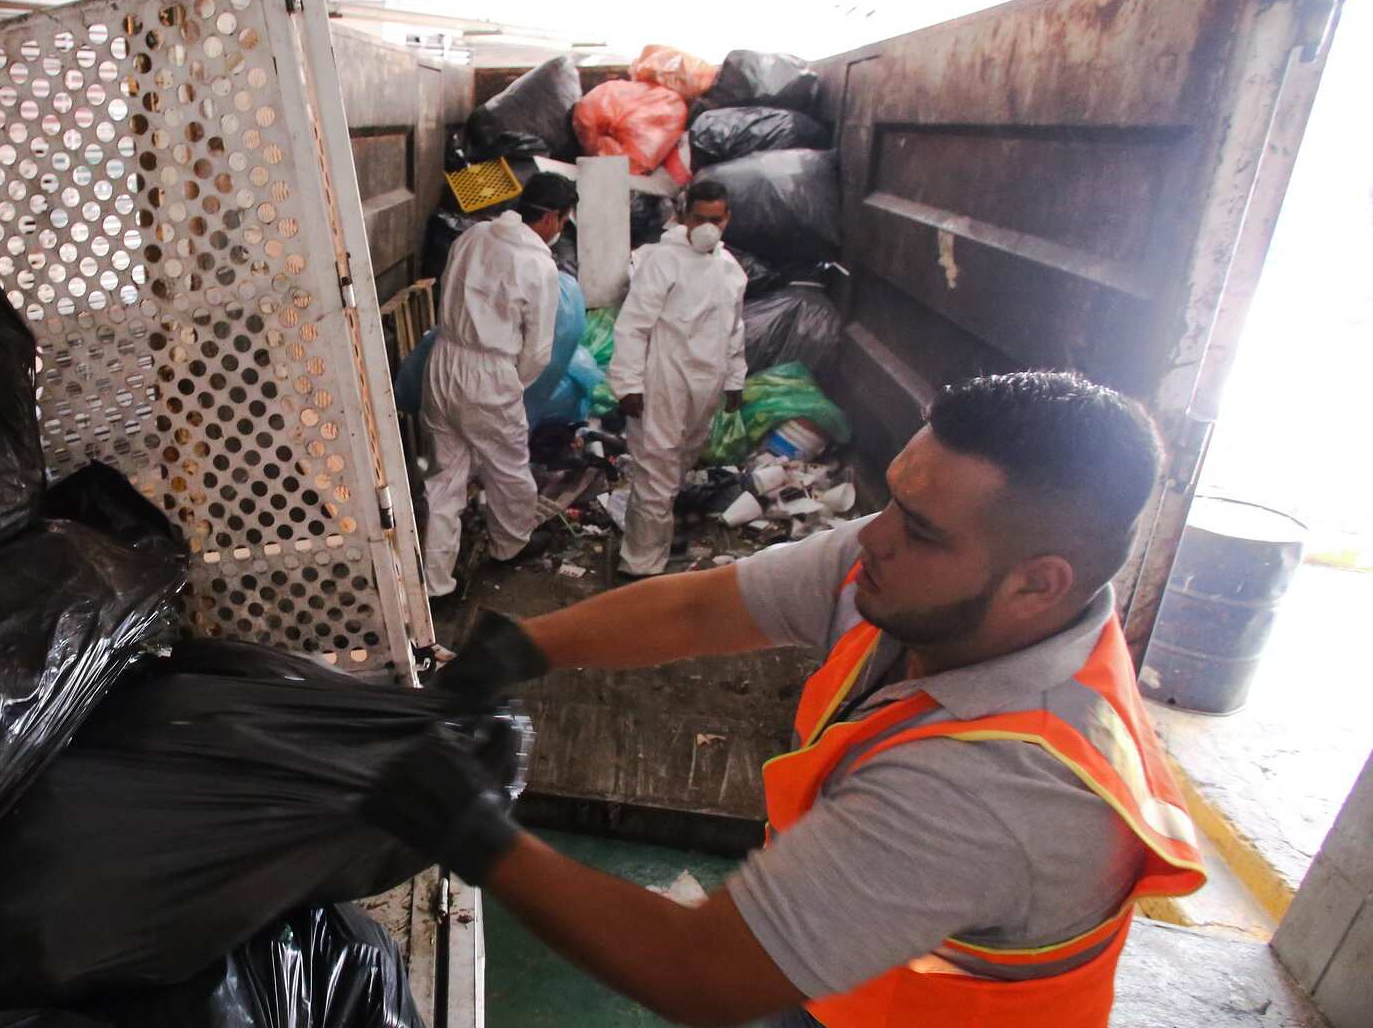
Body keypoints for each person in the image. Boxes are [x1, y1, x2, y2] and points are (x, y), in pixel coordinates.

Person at [367, 372, 1205, 1028]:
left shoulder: (1001, 794)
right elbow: (702, 607)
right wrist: (523, 648)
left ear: (1038, 584)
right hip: (838, 982)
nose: (871, 537)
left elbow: (698, 971)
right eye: (895, 503)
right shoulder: (913, 581)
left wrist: (471, 834)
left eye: (921, 529)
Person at [420, 173, 577, 599]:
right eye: (563, 220)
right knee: (508, 470)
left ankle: (435, 582)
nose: (561, 229)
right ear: (549, 217)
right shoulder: (538, 264)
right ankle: (510, 547)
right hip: (489, 371)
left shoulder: (473, 236)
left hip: (444, 360)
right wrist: (512, 384)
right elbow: (538, 351)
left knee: (445, 475)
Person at [611, 179, 747, 579]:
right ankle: (640, 566)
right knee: (657, 469)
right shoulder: (662, 262)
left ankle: (651, 540)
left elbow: (735, 330)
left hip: (705, 384)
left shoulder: (730, 270)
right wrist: (629, 384)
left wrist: (735, 380)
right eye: (699, 218)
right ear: (685, 216)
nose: (707, 227)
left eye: (716, 219)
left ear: (727, 219)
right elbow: (633, 326)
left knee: (677, 465)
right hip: (664, 380)